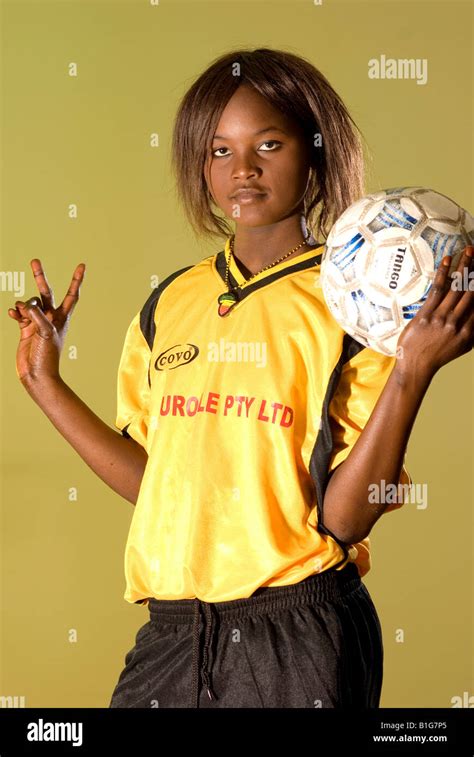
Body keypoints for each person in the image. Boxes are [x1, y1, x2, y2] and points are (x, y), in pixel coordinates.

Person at [9, 48, 473, 709]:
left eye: (269, 143)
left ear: (315, 151)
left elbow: (342, 517)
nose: (243, 169)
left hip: (298, 629)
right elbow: (157, 482)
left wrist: (413, 368)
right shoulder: (168, 303)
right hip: (173, 630)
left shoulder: (356, 306)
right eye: (218, 150)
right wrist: (47, 385)